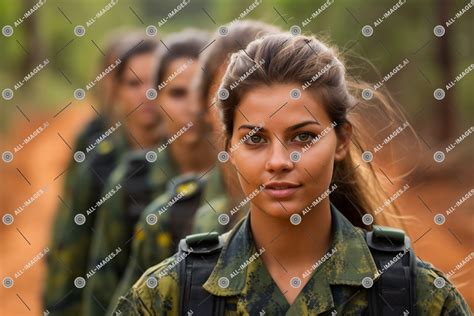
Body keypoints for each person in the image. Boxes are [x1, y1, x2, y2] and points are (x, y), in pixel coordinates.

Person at [112, 33, 472, 315]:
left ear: (342, 141)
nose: (279, 161)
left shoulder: (417, 297)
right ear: (229, 148)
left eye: (303, 137)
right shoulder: (168, 296)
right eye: (255, 139)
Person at [105, 21, 282, 314]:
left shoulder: (334, 224)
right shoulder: (170, 217)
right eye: (230, 93)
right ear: (207, 109)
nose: (253, 110)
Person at [82, 29, 217, 315]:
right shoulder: (132, 180)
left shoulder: (242, 181)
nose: (192, 108)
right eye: (178, 93)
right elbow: (103, 291)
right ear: (159, 100)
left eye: (202, 92)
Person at [43, 31, 160, 315]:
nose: (148, 94)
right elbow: (71, 253)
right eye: (134, 83)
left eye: (157, 82)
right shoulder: (100, 163)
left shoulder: (190, 160)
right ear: (115, 89)